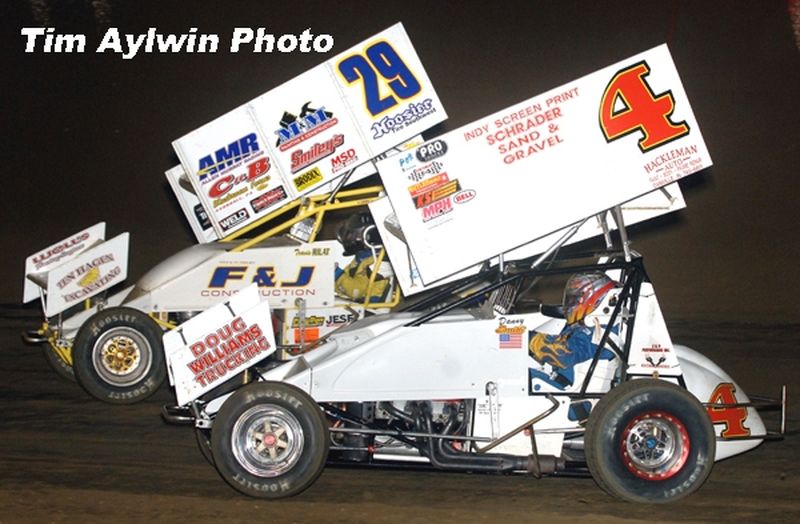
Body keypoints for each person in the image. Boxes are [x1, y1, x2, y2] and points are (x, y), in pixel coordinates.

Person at [528, 272, 617, 390]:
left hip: (575, 400)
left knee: (518, 377)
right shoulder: (587, 325)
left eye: (575, 299)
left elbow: (563, 355)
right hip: (563, 384)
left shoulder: (599, 332)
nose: (570, 304)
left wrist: (526, 338)